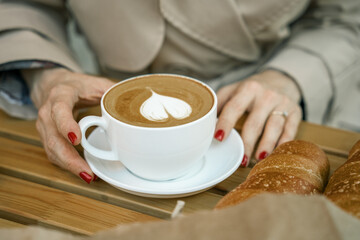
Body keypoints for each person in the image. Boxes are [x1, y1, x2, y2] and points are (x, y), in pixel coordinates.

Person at [0, 0, 359, 184]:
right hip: (99, 93)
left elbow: (345, 16)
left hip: (271, 105)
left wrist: (289, 77)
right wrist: (46, 73)